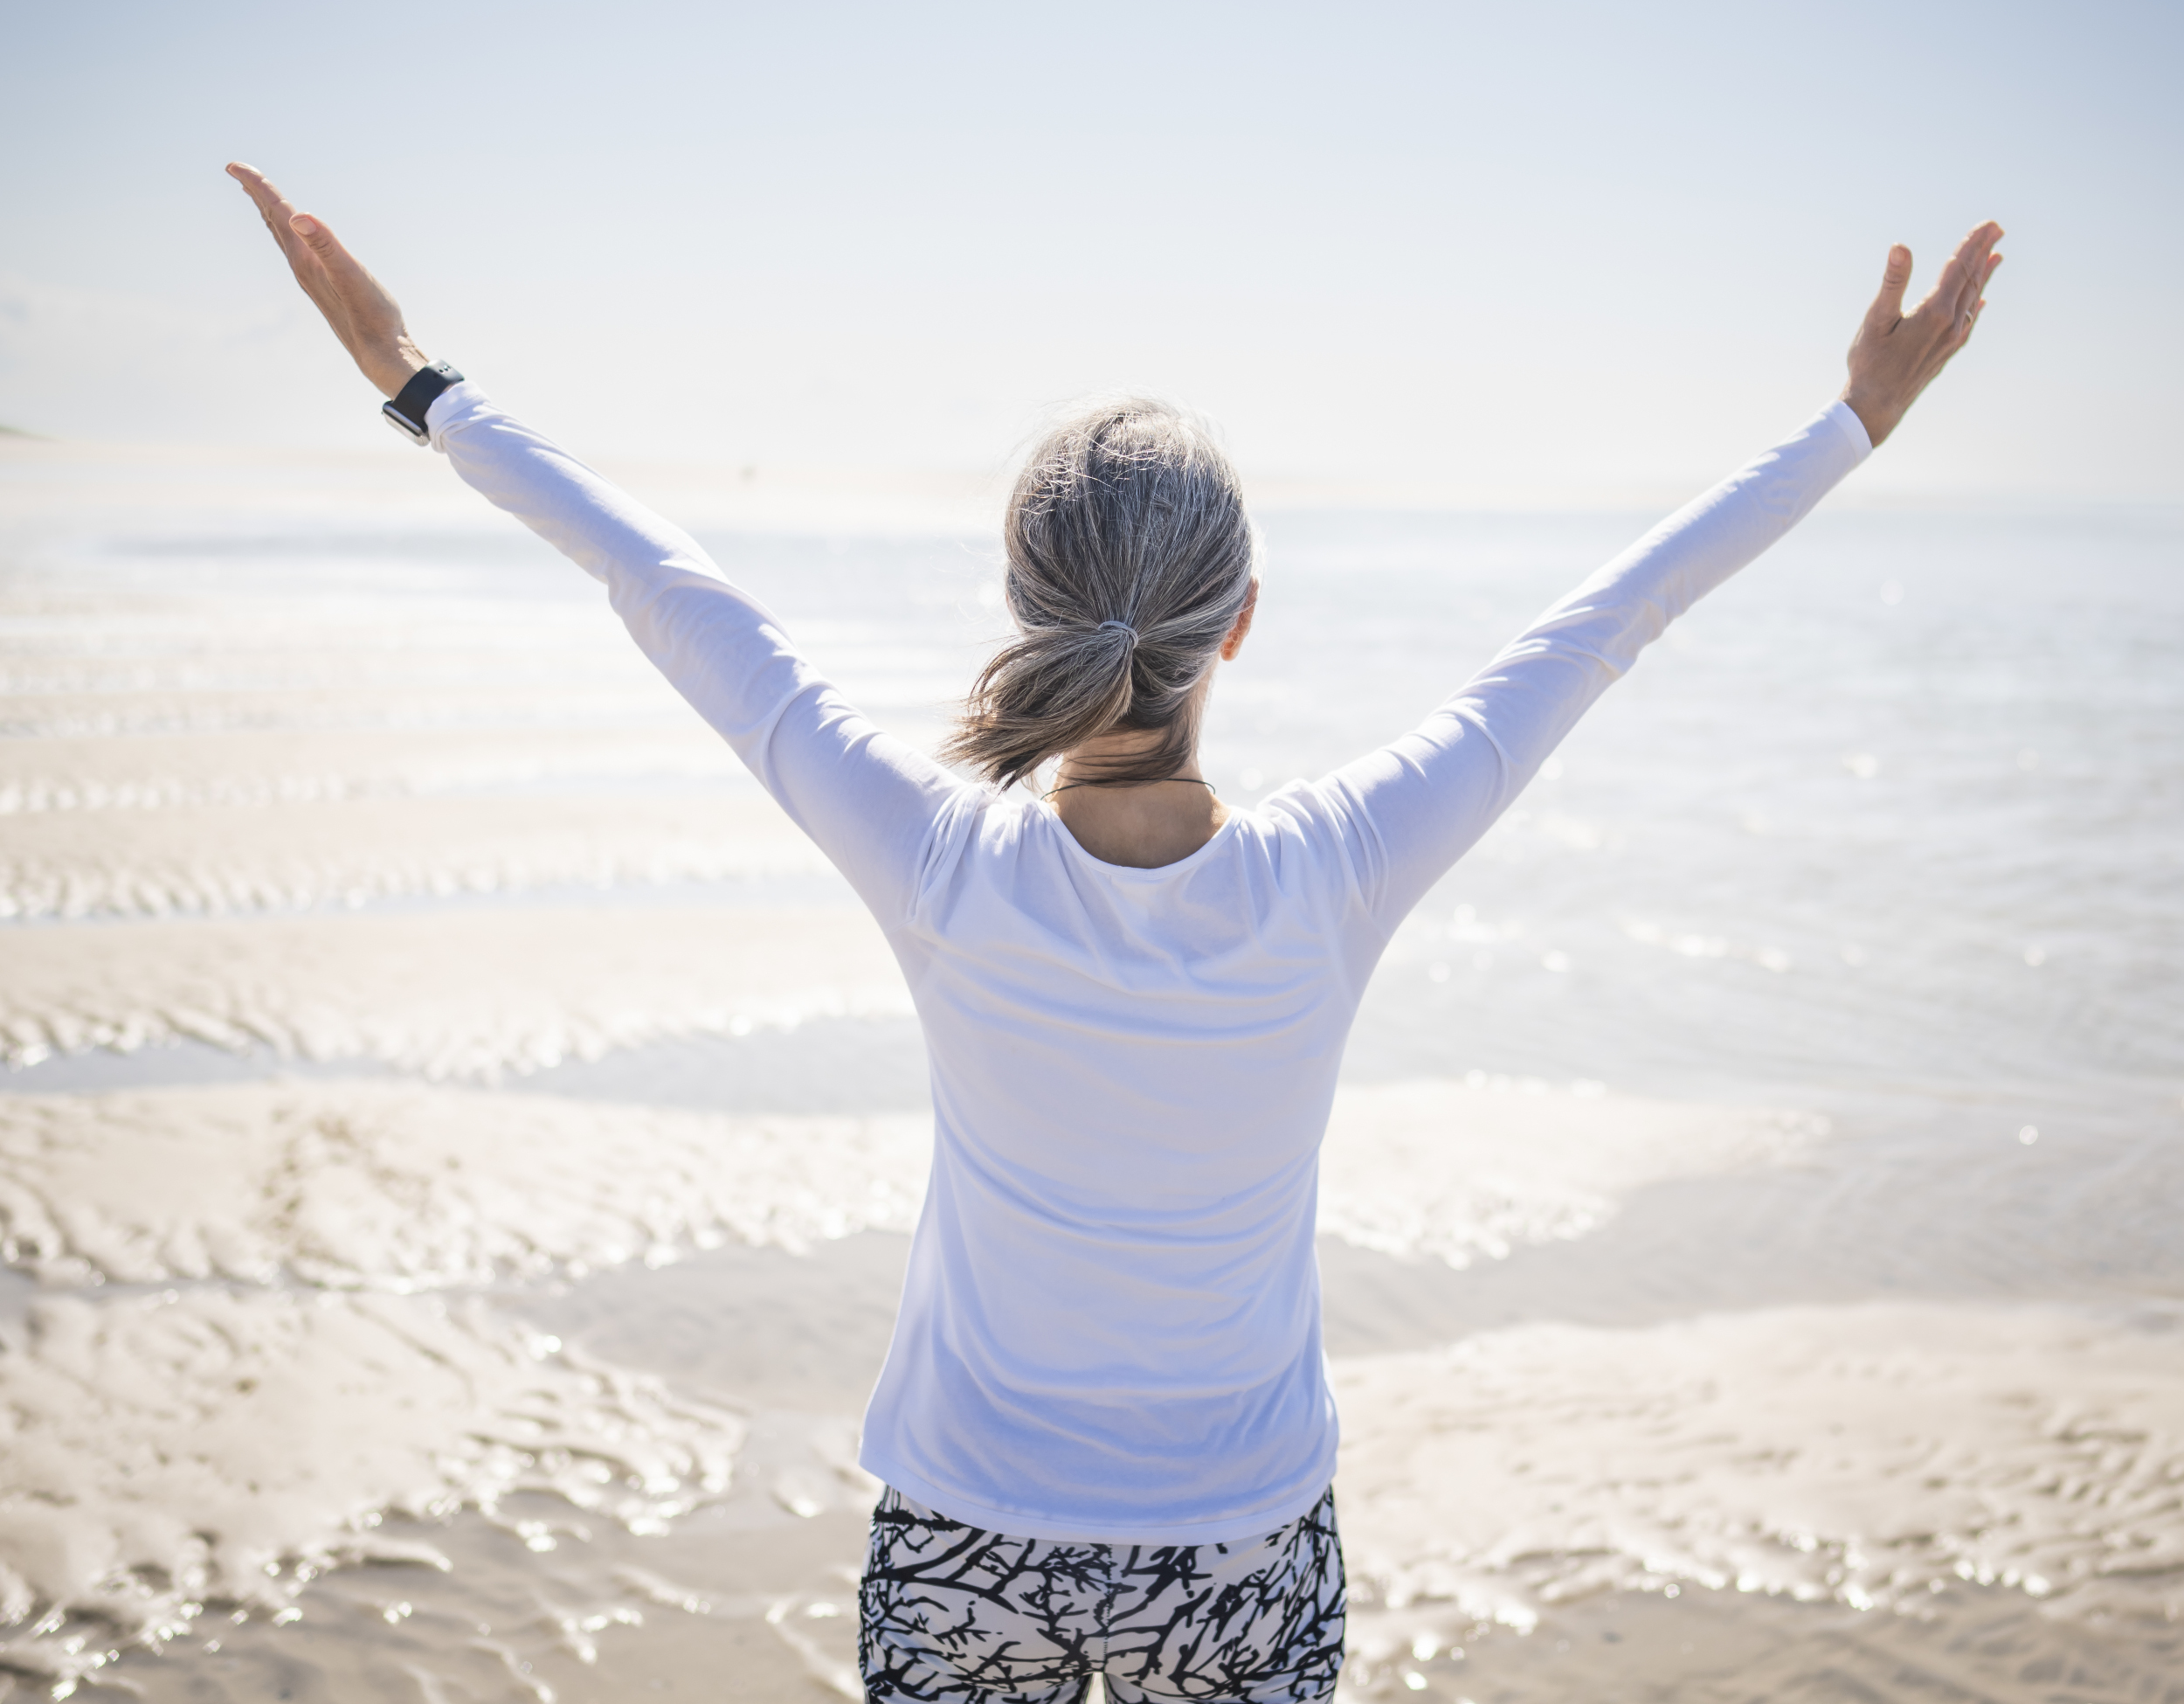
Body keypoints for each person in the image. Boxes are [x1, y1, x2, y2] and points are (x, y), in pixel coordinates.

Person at [225, 163, 1999, 1704]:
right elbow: (1610, 619)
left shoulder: (940, 859)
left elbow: (668, 585)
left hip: (964, 1539)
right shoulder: (1333, 870)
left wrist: (413, 375)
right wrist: (1854, 415)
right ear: (1237, 629)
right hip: (1235, 1556)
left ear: (1024, 609)